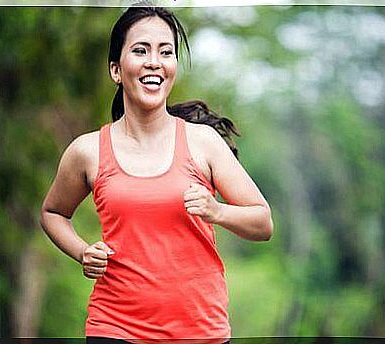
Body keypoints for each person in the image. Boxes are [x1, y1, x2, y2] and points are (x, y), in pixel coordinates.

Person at [40, 4, 273, 344]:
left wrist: (216, 211)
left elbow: (263, 222)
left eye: (166, 52)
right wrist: (81, 251)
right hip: (115, 328)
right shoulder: (87, 151)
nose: (154, 62)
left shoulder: (203, 143)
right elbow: (53, 213)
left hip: (200, 332)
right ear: (116, 70)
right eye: (140, 50)